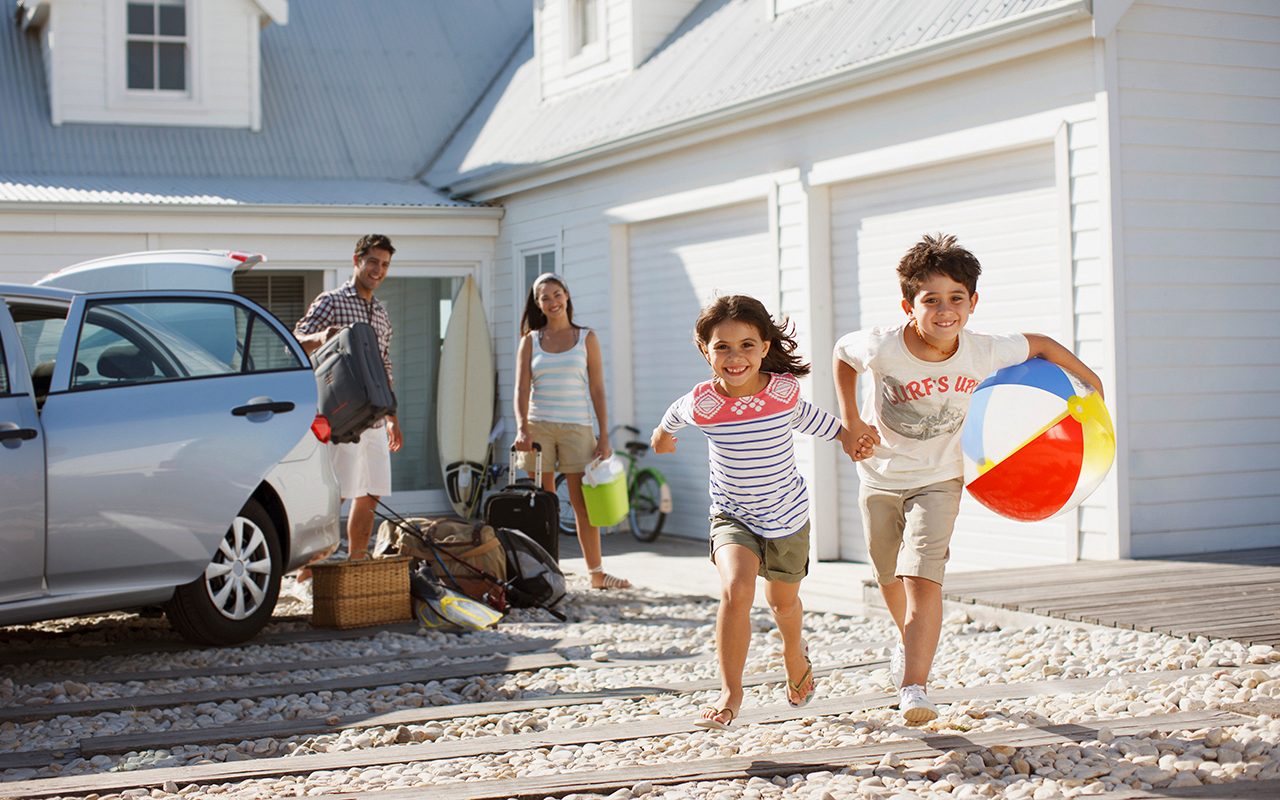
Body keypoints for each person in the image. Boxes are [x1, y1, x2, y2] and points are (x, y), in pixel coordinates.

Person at [833, 233, 1104, 724]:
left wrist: (1092, 382)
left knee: (922, 576)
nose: (944, 310)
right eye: (930, 300)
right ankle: (905, 642)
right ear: (908, 304)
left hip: (940, 478)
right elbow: (842, 356)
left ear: (973, 302)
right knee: (888, 575)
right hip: (880, 475)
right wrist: (851, 421)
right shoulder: (882, 345)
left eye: (956, 298)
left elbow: (1041, 344)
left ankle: (915, 687)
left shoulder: (983, 351)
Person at [650, 295, 865, 730]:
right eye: (723, 347)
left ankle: (793, 653)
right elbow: (671, 420)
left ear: (765, 347)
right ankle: (731, 694)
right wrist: (661, 437)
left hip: (786, 516)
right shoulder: (703, 404)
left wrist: (849, 437)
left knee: (783, 605)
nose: (735, 357)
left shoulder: (782, 393)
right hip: (733, 516)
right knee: (737, 589)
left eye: (747, 345)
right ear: (705, 351)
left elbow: (815, 421)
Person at [514, 272, 631, 590]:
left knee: (583, 505)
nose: (551, 302)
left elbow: (597, 389)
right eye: (544, 297)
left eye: (556, 294)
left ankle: (596, 574)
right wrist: (522, 428)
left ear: (566, 296)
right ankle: (548, 571)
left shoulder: (586, 338)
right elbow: (521, 389)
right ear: (537, 304)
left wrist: (604, 435)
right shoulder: (530, 340)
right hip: (539, 429)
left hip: (578, 428)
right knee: (543, 504)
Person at [293, 234, 403, 573]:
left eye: (384, 265)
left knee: (370, 492)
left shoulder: (382, 315)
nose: (378, 270)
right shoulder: (332, 301)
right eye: (373, 262)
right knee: (334, 495)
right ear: (357, 260)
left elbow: (385, 366)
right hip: (342, 419)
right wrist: (321, 337)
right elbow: (295, 341)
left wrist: (392, 418)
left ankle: (357, 564)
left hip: (374, 418)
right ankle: (304, 568)